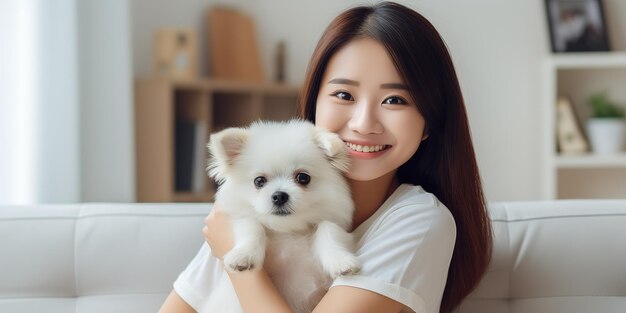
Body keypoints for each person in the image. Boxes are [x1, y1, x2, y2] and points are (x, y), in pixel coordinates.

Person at [159, 2, 492, 313]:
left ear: (429, 122)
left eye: (394, 100)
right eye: (344, 94)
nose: (363, 123)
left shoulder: (419, 221)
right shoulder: (250, 208)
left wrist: (242, 264)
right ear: (315, 101)